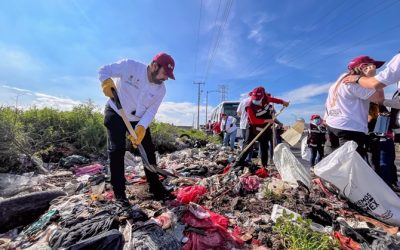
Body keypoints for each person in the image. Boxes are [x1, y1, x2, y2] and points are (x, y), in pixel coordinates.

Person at [99, 52, 176, 204]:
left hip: (137, 119)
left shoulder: (161, 90)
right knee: (117, 150)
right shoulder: (130, 66)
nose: (166, 78)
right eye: (164, 74)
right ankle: (120, 194)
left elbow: (151, 111)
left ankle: (155, 188)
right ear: (154, 66)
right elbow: (104, 70)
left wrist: (141, 127)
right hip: (116, 112)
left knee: (148, 151)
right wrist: (106, 81)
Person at [324, 55, 385, 160]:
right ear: (363, 67)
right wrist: (372, 79)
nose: (375, 69)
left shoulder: (339, 81)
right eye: (373, 66)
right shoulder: (354, 83)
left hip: (332, 125)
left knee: (333, 163)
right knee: (352, 166)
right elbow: (379, 98)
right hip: (350, 128)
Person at [237, 86, 289, 168]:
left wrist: (283, 102)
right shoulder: (249, 105)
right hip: (252, 127)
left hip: (265, 128)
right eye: (255, 98)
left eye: (258, 98)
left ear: (262, 96)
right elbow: (253, 120)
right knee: (247, 145)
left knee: (264, 146)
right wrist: (267, 120)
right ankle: (238, 163)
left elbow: (275, 100)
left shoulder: (266, 98)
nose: (256, 100)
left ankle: (264, 166)